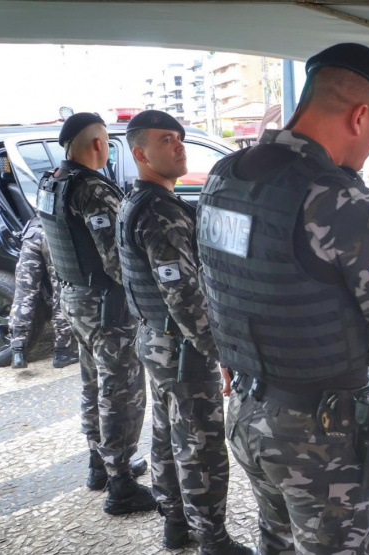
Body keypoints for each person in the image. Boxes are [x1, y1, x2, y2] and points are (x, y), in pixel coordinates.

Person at [198, 43, 369, 554]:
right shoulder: (336, 197)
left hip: (246, 410)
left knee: (277, 541)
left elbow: (219, 283)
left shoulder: (225, 176)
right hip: (316, 435)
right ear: (359, 116)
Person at [117, 111, 254, 554]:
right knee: (200, 444)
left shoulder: (135, 202)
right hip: (182, 347)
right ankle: (211, 538)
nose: (179, 146)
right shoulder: (160, 212)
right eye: (165, 140)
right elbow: (184, 296)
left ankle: (176, 523)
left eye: (179, 137)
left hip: (156, 338)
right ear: (140, 153)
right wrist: (221, 351)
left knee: (168, 433)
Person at [36, 112, 152, 513]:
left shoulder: (52, 182)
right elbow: (117, 260)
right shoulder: (93, 191)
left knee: (93, 383)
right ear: (99, 144)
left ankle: (99, 465)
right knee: (121, 390)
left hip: (75, 300)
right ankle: (121, 485)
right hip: (107, 308)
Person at [9, 217, 79, 369]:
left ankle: (18, 350)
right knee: (62, 292)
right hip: (53, 233)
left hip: (32, 234)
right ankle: (62, 351)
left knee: (24, 294)